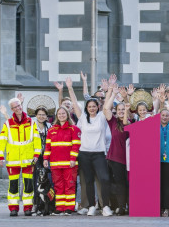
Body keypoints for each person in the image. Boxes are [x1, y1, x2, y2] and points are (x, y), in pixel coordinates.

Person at [66, 77, 111, 216]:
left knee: (104, 179)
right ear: (86, 108)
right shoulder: (82, 118)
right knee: (89, 180)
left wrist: (109, 89)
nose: (92, 108)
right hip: (84, 154)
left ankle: (105, 206)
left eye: (94, 106)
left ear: (98, 107)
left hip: (99, 154)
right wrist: (70, 88)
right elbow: (74, 103)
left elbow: (107, 104)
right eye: (89, 106)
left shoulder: (102, 117)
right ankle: (91, 205)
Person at [0, 97, 41, 216]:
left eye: (19, 105)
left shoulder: (31, 122)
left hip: (28, 159)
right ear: (12, 109)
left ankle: (27, 208)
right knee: (13, 185)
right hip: (13, 159)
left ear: (21, 105)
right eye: (15, 107)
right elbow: (2, 141)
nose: (18, 108)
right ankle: (13, 208)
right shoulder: (8, 123)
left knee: (28, 184)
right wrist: (1, 157)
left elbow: (37, 139)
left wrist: (36, 154)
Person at [43, 106, 81, 215]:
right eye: (59, 114)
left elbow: (76, 146)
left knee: (69, 185)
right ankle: (60, 207)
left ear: (67, 115)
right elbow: (48, 147)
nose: (61, 115)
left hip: (69, 163)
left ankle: (69, 207)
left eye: (63, 113)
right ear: (56, 116)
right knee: (58, 186)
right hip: (55, 164)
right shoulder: (51, 130)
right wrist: (45, 159)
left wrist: (73, 159)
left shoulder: (74, 129)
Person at [102, 83, 130, 216]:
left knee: (127, 183)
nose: (121, 111)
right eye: (119, 110)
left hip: (128, 159)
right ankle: (121, 206)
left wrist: (125, 100)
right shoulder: (113, 121)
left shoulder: (130, 122)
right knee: (119, 183)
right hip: (115, 158)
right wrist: (113, 93)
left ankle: (129, 205)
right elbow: (105, 108)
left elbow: (125, 123)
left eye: (123, 110)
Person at [158, 108, 169, 217]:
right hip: (156, 159)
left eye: (167, 115)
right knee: (158, 184)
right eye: (163, 115)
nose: (164, 117)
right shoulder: (155, 126)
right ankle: (158, 207)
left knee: (167, 184)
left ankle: (167, 208)